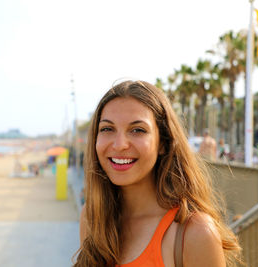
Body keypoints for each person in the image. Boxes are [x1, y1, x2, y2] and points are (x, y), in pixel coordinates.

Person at [73, 81, 241, 267]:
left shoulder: (194, 233)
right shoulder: (92, 217)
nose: (120, 144)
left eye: (137, 130)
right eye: (107, 129)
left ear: (163, 142)